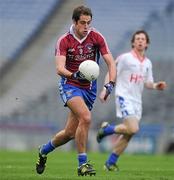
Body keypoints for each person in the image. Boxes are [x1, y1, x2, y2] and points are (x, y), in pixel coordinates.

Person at [36, 5, 116, 176]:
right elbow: (59, 68)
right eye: (83, 23)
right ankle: (82, 164)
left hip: (89, 90)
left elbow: (111, 62)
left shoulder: (96, 37)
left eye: (89, 23)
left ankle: (43, 151)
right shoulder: (64, 40)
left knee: (69, 133)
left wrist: (110, 84)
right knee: (86, 117)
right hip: (70, 85)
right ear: (74, 21)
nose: (86, 26)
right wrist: (75, 75)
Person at [97, 30, 167, 171]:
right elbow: (112, 72)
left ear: (147, 43)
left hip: (137, 102)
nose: (140, 41)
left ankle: (110, 163)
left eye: (143, 39)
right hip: (124, 97)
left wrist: (155, 85)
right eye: (137, 39)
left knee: (129, 133)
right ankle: (107, 129)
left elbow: (148, 82)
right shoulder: (125, 58)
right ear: (133, 42)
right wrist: (106, 89)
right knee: (133, 128)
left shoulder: (147, 63)